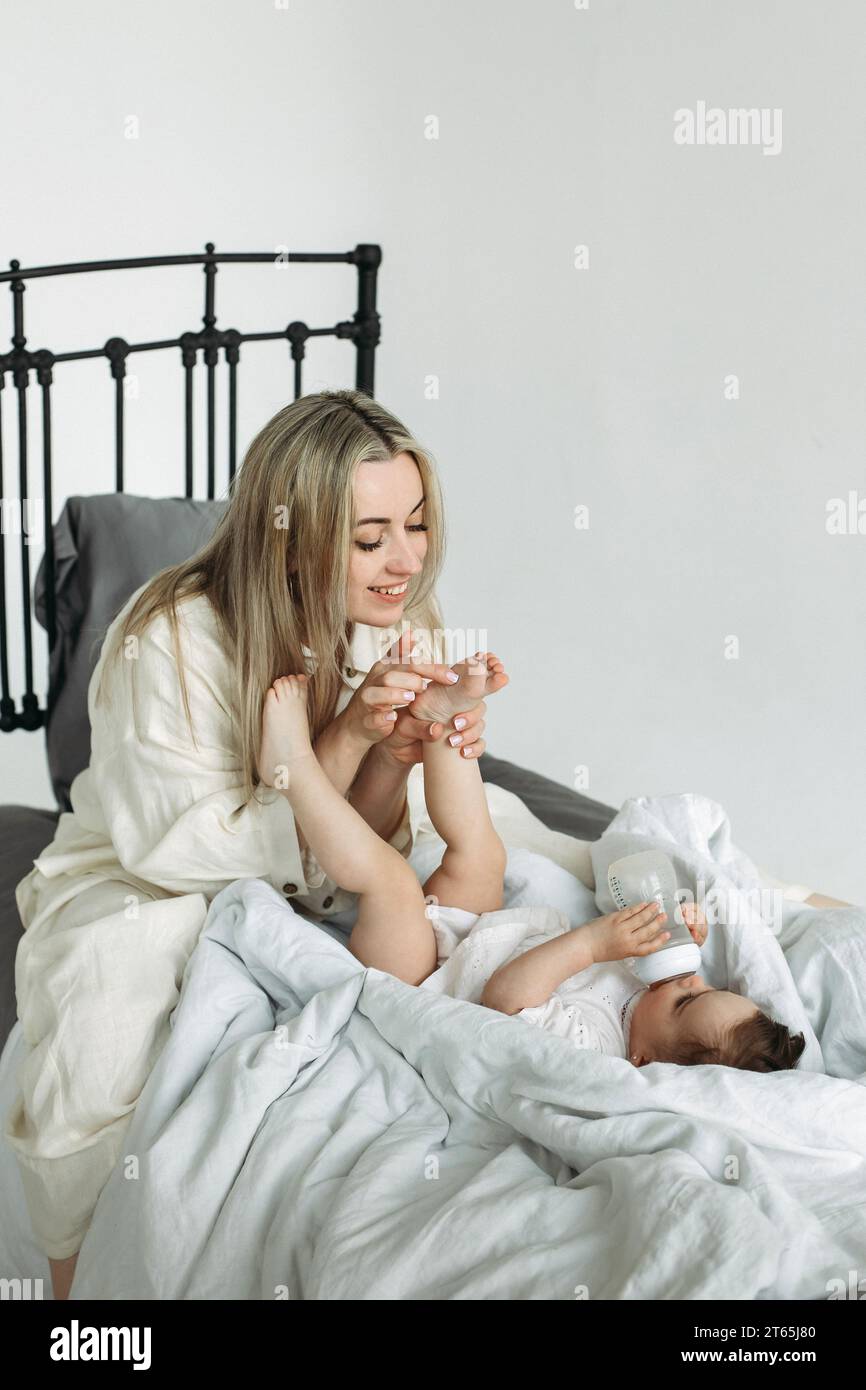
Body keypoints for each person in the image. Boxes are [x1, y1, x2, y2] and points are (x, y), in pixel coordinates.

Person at [5, 389, 505, 1299]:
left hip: (316, 856)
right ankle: (72, 1290)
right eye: (371, 538)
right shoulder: (168, 636)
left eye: (418, 526)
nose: (406, 563)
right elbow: (180, 844)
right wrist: (346, 743)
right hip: (152, 871)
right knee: (99, 1020)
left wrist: (394, 741)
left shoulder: (403, 619)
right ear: (290, 536)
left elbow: (374, 833)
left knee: (498, 886)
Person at [258, 664, 806, 1074]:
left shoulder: (593, 1043)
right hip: (468, 938)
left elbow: (505, 1000)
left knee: (392, 883)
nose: (688, 978)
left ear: (643, 1059)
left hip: (423, 980)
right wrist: (677, 928)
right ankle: (441, 723)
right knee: (481, 853)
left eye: (686, 1000)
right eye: (705, 983)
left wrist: (592, 945)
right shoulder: (650, 997)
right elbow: (636, 923)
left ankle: (294, 770)